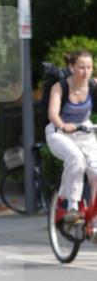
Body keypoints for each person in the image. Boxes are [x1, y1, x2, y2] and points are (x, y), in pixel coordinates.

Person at [46, 48, 97, 222]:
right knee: (76, 159)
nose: (86, 72)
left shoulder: (93, 85)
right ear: (72, 67)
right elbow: (53, 114)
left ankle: (94, 217)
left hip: (85, 131)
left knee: (96, 170)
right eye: (82, 67)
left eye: (89, 67)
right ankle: (68, 206)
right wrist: (63, 125)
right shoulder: (60, 87)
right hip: (59, 133)